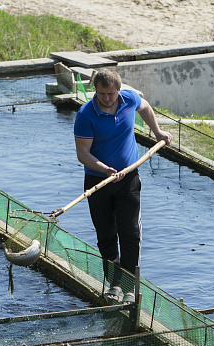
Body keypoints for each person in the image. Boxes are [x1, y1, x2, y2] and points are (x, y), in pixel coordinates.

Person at [73, 69, 172, 302]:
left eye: (111, 94)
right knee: (106, 234)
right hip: (98, 182)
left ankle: (129, 285)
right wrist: (105, 169)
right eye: (101, 94)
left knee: (130, 232)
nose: (106, 99)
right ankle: (114, 283)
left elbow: (145, 108)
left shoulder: (129, 99)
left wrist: (157, 132)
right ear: (94, 91)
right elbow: (83, 154)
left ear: (119, 90)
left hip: (128, 179)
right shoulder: (86, 115)